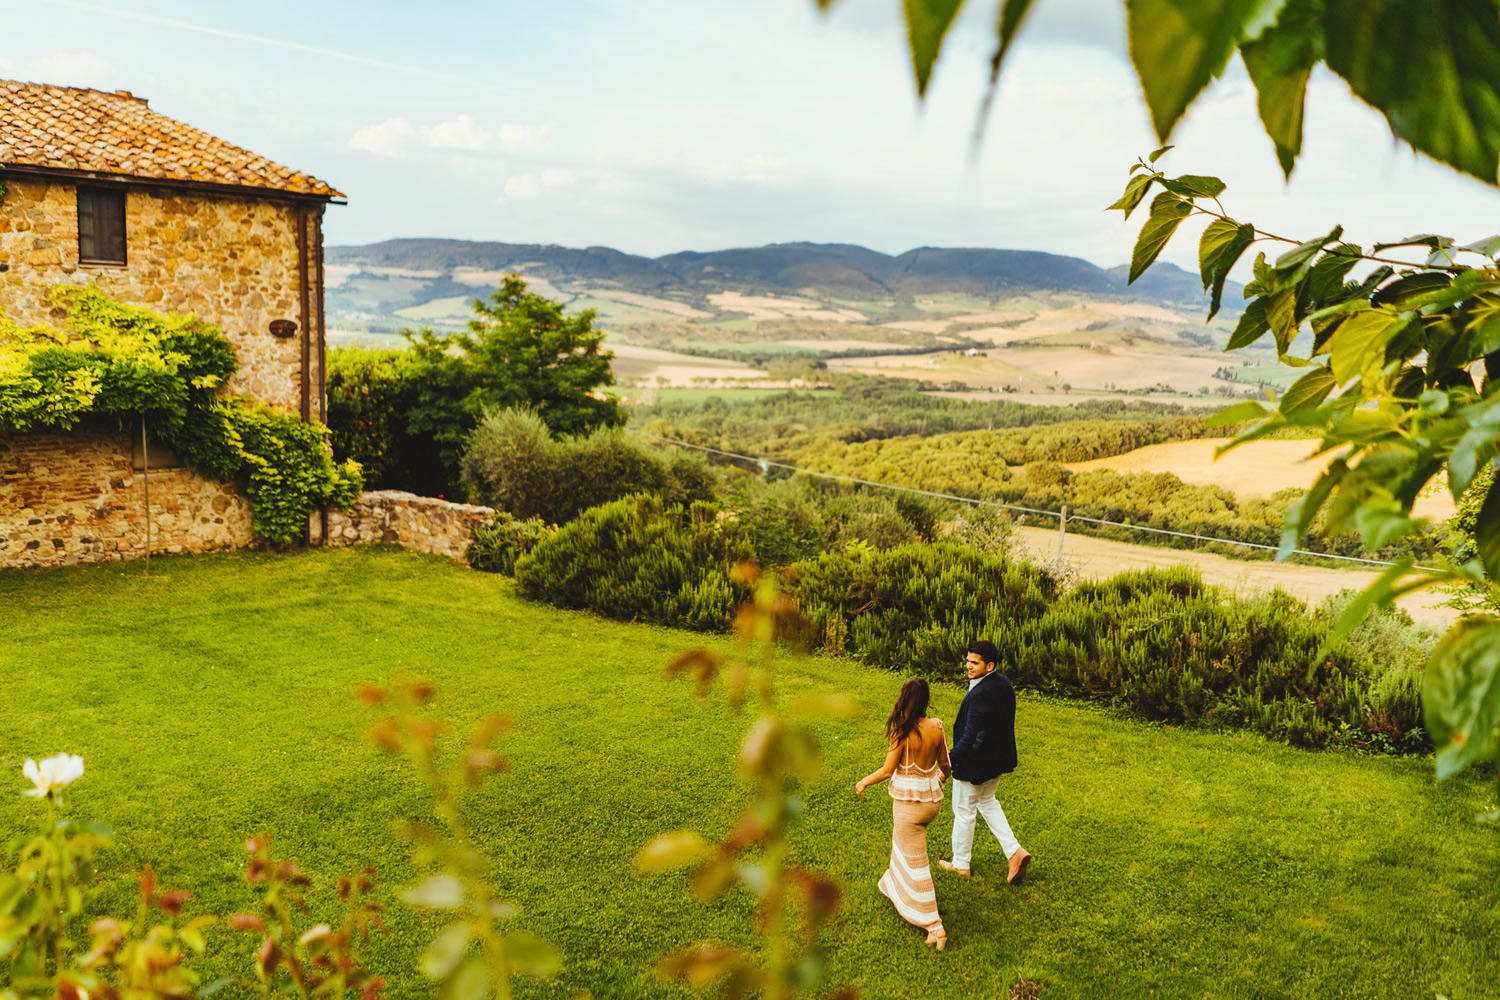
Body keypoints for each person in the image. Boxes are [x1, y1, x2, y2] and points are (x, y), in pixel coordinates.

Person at [856, 677, 952, 950]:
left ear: (904, 699)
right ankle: (892, 886)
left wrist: (863, 781)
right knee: (902, 848)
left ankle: (935, 926)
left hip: (909, 807)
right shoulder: (937, 727)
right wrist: (940, 778)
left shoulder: (902, 732)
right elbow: (946, 765)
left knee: (916, 863)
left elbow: (887, 770)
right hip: (931, 804)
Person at [939, 639, 1031, 885]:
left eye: (975, 663)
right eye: (968, 660)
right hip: (996, 761)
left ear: (989, 665)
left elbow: (970, 738)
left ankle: (960, 865)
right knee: (988, 802)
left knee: (964, 811)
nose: (968, 666)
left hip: (975, 765)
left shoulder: (980, 694)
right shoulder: (1002, 684)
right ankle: (1015, 852)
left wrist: (947, 764)